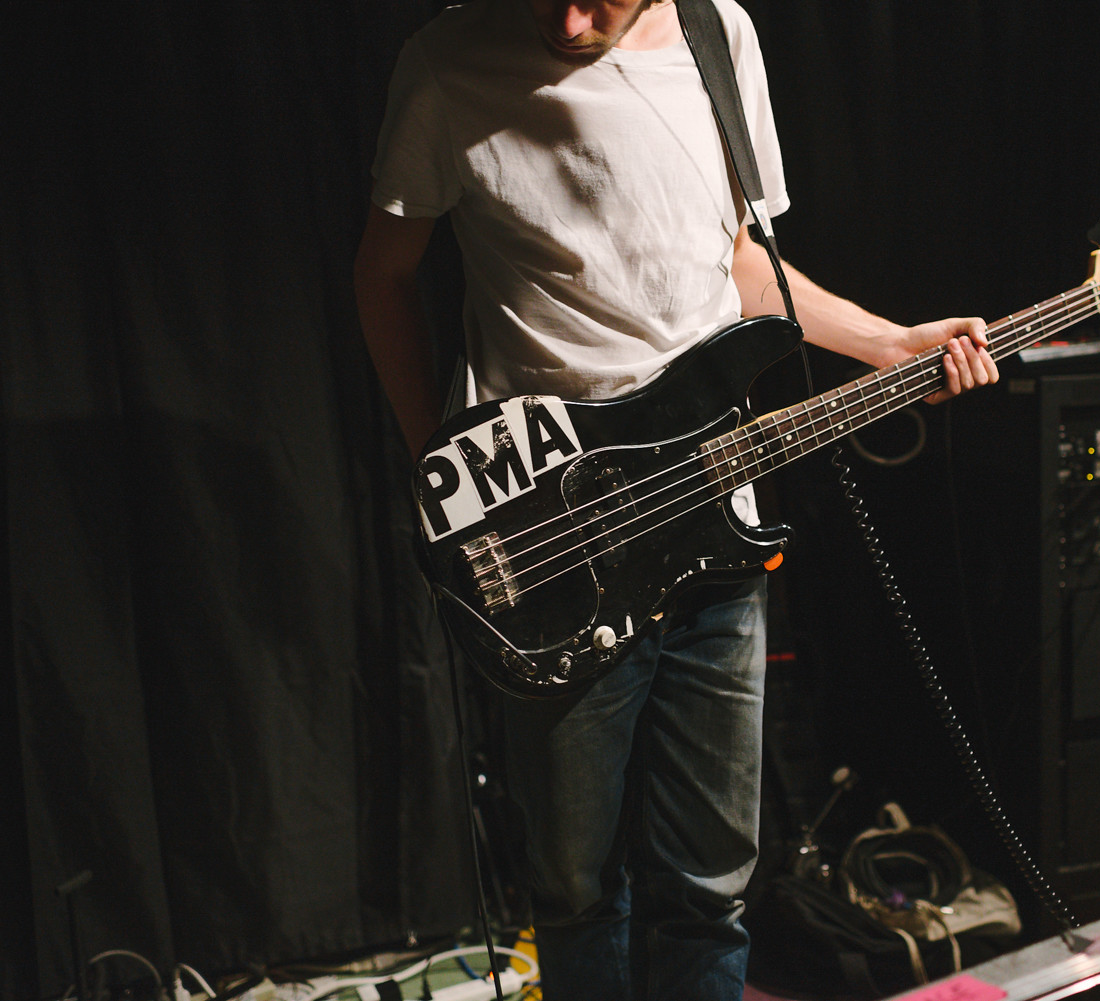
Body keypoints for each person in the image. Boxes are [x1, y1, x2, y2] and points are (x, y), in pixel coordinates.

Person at [352, 1, 998, 998]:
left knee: (708, 885)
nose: (567, 18)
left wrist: (888, 341)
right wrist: (440, 476)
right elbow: (384, 274)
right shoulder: (448, 61)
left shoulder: (718, 36)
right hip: (556, 541)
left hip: (715, 523)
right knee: (578, 888)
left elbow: (732, 257)